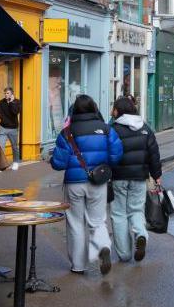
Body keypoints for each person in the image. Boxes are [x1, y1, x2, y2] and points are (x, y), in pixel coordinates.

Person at [50, 95, 124, 275]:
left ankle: (78, 265)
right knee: (98, 220)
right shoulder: (106, 129)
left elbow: (58, 163)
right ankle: (102, 246)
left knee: (75, 223)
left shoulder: (67, 132)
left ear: (74, 110)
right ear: (94, 108)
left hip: (74, 183)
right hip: (97, 181)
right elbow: (116, 156)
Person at [110, 97, 161, 263]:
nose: (112, 111)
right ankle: (140, 234)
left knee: (118, 214)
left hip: (118, 177)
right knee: (136, 210)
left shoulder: (113, 129)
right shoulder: (145, 128)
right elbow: (154, 154)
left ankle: (124, 254)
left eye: (114, 108)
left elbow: (107, 153)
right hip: (139, 177)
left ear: (118, 111)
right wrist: (157, 175)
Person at [0, 87, 22, 171]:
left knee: (14, 147)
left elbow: (15, 112)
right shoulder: (0, 103)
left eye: (8, 93)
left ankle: (16, 162)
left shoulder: (17, 102)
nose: (6, 95)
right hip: (2, 128)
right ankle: (2, 165)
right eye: (5, 93)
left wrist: (11, 102)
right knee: (1, 147)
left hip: (13, 128)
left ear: (12, 94)